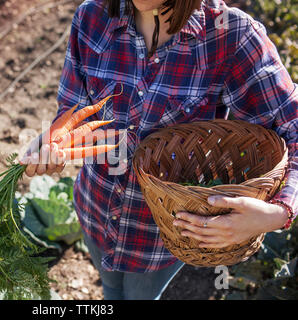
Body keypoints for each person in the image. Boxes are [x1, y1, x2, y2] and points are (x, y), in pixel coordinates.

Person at [19, 0, 297, 300]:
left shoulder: (231, 36)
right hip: (95, 210)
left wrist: (276, 214)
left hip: (161, 237)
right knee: (111, 290)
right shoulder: (92, 17)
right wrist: (53, 143)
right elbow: (71, 112)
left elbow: (293, 129)